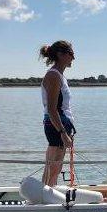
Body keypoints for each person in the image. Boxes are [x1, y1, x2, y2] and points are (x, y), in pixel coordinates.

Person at [39, 40, 76, 186]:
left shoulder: (60, 75)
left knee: (55, 167)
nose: (74, 58)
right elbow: (52, 109)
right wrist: (62, 132)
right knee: (53, 169)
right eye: (71, 54)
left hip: (60, 124)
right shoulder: (53, 76)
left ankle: (46, 195)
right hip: (56, 126)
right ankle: (44, 200)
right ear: (61, 55)